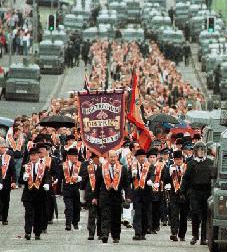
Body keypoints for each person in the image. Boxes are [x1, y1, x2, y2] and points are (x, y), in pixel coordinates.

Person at [181, 142, 215, 245]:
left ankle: (203, 238)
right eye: (199, 150)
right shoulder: (191, 163)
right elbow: (186, 178)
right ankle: (195, 235)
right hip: (194, 192)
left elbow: (213, 177)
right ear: (195, 151)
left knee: (205, 215)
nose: (201, 151)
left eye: (203, 150)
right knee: (195, 214)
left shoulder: (210, 162)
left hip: (207, 191)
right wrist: (182, 191)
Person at [93, 150, 130, 243]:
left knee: (116, 217)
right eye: (111, 157)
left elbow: (126, 184)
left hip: (117, 196)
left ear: (117, 157)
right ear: (107, 158)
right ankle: (104, 234)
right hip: (104, 196)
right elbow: (97, 184)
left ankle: (116, 236)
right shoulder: (101, 168)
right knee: (105, 215)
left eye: (114, 157)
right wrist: (95, 197)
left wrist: (128, 196)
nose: (113, 159)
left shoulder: (122, 169)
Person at [19, 147, 50, 240]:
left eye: (35, 155)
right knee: (29, 213)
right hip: (28, 195)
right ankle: (27, 232)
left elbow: (47, 178)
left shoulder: (44, 166)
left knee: (38, 214)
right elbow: (19, 180)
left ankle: (37, 232)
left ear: (38, 156)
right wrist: (24, 178)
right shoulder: (25, 167)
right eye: (31, 155)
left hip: (40, 194)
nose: (33, 157)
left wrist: (47, 184)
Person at [162, 150, 188, 242]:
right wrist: (167, 181)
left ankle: (182, 234)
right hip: (174, 194)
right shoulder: (169, 168)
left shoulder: (187, 168)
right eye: (177, 159)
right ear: (174, 160)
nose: (179, 161)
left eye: (180, 159)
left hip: (185, 195)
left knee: (184, 216)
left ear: (183, 159)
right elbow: (165, 179)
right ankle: (174, 233)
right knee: (174, 214)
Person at [129, 149, 152, 241]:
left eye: (144, 156)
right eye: (141, 156)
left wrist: (152, 180)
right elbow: (127, 178)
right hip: (136, 193)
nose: (143, 158)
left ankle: (143, 232)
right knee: (137, 213)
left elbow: (154, 175)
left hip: (147, 192)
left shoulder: (149, 166)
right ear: (137, 157)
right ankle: (137, 232)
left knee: (145, 213)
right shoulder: (132, 167)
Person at [80, 152, 102, 240]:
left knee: (101, 214)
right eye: (97, 157)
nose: (99, 159)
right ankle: (91, 233)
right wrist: (82, 196)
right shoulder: (88, 168)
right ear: (93, 158)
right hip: (90, 193)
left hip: (101, 193)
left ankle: (101, 233)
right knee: (92, 214)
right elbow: (83, 181)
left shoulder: (104, 167)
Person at [60, 148, 82, 231]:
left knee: (77, 208)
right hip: (67, 190)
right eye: (74, 156)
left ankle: (75, 222)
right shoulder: (63, 165)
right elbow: (60, 177)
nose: (76, 157)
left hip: (77, 189)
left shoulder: (80, 165)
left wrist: (80, 178)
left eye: (77, 156)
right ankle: (68, 224)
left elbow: (84, 176)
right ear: (69, 156)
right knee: (69, 207)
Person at [0, 139, 16, 225]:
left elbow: (13, 170)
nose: (4, 149)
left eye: (4, 147)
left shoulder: (9, 158)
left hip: (6, 182)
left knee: (6, 200)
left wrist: (13, 181)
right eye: (2, 147)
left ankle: (4, 218)